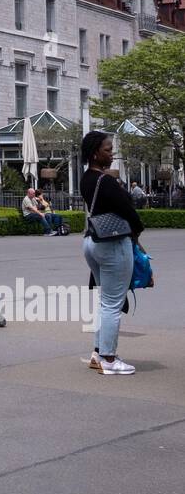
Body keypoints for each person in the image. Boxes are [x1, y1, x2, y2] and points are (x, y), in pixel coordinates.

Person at [81, 131, 143, 376]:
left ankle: (99, 352)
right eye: (108, 150)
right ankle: (108, 358)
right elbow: (129, 210)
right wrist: (137, 234)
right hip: (113, 242)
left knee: (106, 302)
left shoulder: (86, 178)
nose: (112, 154)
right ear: (96, 152)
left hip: (92, 241)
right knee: (112, 303)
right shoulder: (105, 180)